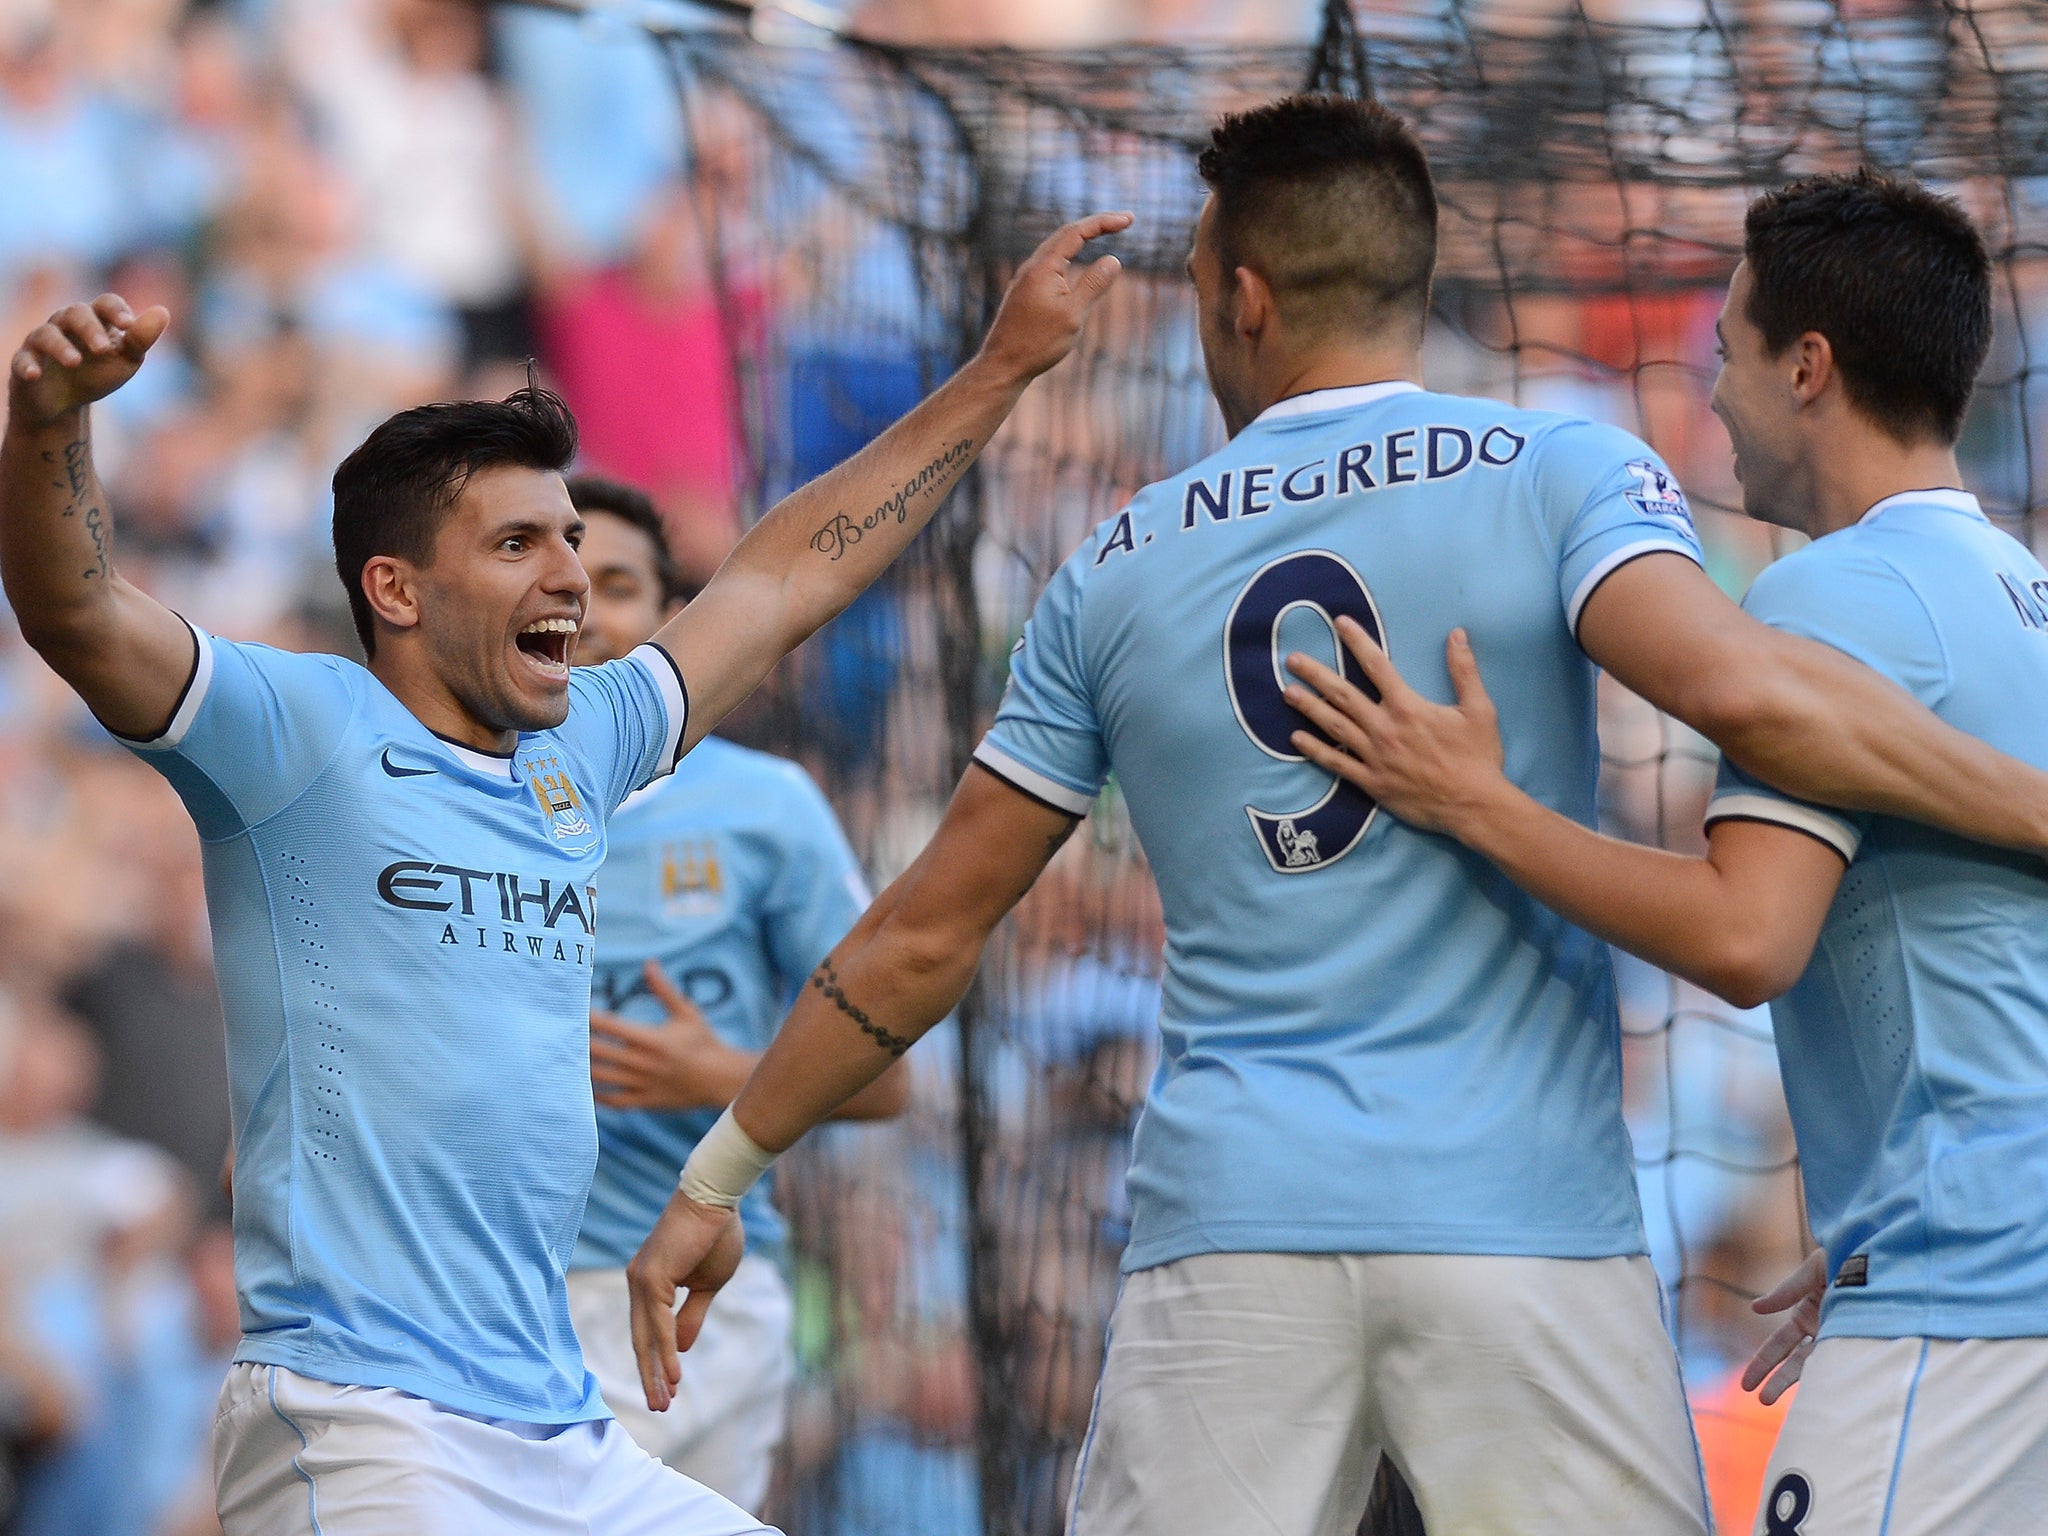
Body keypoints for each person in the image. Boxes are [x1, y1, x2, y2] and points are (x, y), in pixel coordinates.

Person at [625, 98, 2048, 1536]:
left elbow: (926, 933)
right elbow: (1754, 694)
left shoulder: (1112, 562)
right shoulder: (1566, 470)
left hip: (1237, 1229)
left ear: (1240, 299)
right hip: (1526, 1224)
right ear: (1414, 284)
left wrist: (720, 1168)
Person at [0, 210, 1129, 1535]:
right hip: (367, 1425)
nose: (573, 581)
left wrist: (999, 372)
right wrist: (49, 426)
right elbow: (77, 608)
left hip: (559, 1423)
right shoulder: (291, 731)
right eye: (521, 544)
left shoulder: (580, 747)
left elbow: (777, 583)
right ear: (397, 589)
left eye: (572, 544)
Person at [1282, 171, 2048, 1536]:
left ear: (1807, 369)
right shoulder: (2030, 600)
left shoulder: (1834, 590)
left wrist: (1482, 806)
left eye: (1727, 359)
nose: (1715, 402)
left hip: (1973, 1289)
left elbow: (1745, 942)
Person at [563, 472, 906, 1512]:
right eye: (559, 583)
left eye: (615, 584)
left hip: (698, 1286)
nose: (582, 610)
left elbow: (884, 1082)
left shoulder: (765, 808)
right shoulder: (451, 802)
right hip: (496, 1287)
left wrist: (716, 1073)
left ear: (672, 620)